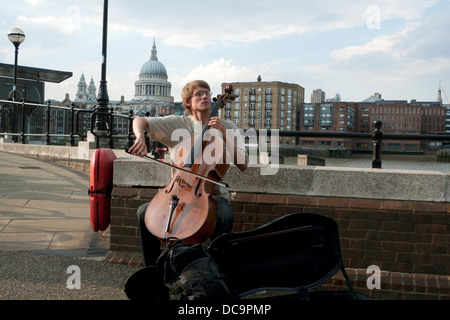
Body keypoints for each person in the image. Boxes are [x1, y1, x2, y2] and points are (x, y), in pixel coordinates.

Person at [128, 80, 248, 266]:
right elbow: (139, 121)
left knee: (224, 214)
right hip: (177, 193)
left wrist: (224, 135)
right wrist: (140, 137)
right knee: (144, 213)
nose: (205, 96)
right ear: (187, 103)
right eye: (198, 94)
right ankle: (152, 271)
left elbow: (243, 164)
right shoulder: (177, 123)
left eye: (207, 93)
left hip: (212, 196)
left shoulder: (228, 126)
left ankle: (219, 271)